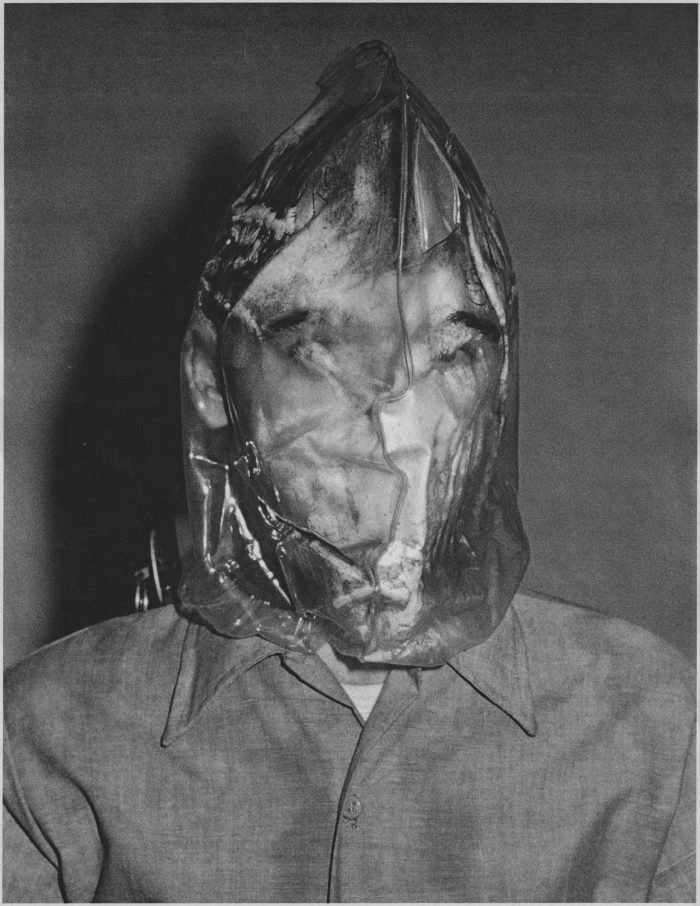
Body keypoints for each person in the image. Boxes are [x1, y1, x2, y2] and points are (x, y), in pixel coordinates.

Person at [4, 41, 694, 903]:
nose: (397, 427)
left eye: (450, 353)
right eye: (323, 354)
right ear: (213, 379)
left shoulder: (657, 729)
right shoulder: (48, 739)